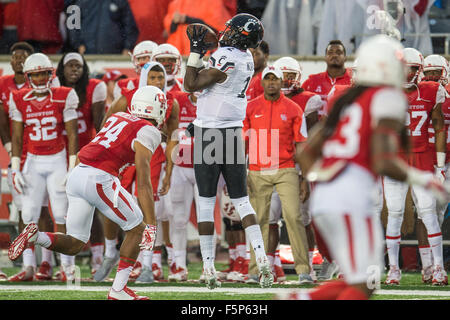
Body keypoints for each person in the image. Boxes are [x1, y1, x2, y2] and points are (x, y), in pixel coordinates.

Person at [283, 34, 449, 300]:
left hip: (326, 198)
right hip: (351, 198)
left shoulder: (342, 98)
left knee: (363, 281)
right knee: (365, 282)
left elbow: (307, 151)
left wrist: (324, 177)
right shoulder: (387, 98)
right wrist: (422, 179)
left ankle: (299, 298)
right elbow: (384, 160)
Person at [8, 85, 165, 300]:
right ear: (158, 108)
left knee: (75, 243)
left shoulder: (118, 117)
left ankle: (37, 237)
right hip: (98, 178)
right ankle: (118, 290)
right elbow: (144, 181)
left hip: (78, 174)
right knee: (138, 228)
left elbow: (97, 148)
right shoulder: (149, 130)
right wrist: (152, 224)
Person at [183, 13, 273, 290]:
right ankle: (263, 261)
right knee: (242, 201)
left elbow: (190, 84)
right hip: (232, 133)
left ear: (239, 35)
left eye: (231, 30)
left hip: (211, 135)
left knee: (207, 202)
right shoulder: (246, 58)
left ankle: (209, 267)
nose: (226, 32)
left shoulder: (226, 56)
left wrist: (195, 54)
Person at [94, 62, 179, 283]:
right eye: (153, 77)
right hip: (124, 154)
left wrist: (169, 171)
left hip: (150, 154)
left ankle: (147, 263)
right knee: (112, 204)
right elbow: (106, 125)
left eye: (161, 77)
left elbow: (172, 139)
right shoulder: (128, 98)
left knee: (148, 203)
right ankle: (110, 251)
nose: (158, 82)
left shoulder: (171, 102)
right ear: (143, 79)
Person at [8, 52, 79, 280]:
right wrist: (16, 166)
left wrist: (72, 165)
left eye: (43, 74)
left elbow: (72, 134)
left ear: (51, 74)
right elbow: (17, 137)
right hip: (33, 161)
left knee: (61, 212)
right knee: (28, 212)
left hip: (57, 158)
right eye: (35, 75)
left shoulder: (64, 95)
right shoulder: (19, 98)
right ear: (28, 76)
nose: (39, 79)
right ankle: (29, 267)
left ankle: (67, 267)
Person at [384, 47, 448, 286]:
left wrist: (440, 166)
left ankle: (438, 268)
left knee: (429, 214)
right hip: (395, 159)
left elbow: (440, 126)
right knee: (395, 213)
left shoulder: (432, 91)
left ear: (418, 70)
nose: (406, 72)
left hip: (421, 158)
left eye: (412, 68)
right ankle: (393, 269)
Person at [243, 65, 311, 284]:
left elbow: (301, 146)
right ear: (262, 83)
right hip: (257, 170)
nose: (272, 82)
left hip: (286, 169)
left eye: (276, 79)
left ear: (282, 82)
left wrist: (304, 179)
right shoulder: (250, 108)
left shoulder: (293, 109)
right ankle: (255, 270)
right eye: (268, 79)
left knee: (294, 217)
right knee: (258, 221)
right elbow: (242, 142)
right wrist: (238, 174)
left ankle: (303, 271)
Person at [55, 52, 108, 277]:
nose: (75, 70)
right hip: (59, 154)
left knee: (91, 209)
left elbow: (99, 125)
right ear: (62, 70)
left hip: (86, 155)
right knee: (61, 211)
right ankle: (65, 265)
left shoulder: (94, 87)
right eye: (70, 66)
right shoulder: (54, 88)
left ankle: (97, 259)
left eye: (79, 66)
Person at [166, 90, 199, 281]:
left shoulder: (215, 101)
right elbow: (171, 134)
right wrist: (168, 173)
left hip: (207, 165)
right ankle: (178, 265)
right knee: (178, 218)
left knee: (206, 217)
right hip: (179, 166)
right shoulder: (177, 100)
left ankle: (208, 265)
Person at [301, 40, 352, 117]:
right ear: (325, 58)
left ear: (345, 58)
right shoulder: (311, 81)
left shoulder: (353, 81)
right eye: (330, 52)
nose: (334, 55)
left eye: (339, 53)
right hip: (315, 128)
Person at [66, 0, 139, 54]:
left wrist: (127, 48)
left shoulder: (120, 2)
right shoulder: (81, 2)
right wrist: (78, 44)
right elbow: (72, 25)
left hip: (114, 55)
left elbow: (130, 26)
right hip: (87, 54)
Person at [163, 0, 232, 56]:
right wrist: (174, 22)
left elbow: (217, 29)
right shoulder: (176, 3)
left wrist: (188, 19)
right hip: (180, 54)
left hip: (203, 55)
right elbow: (170, 30)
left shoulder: (213, 2)